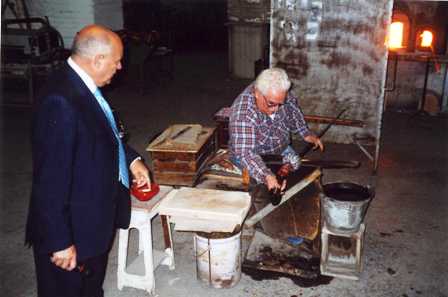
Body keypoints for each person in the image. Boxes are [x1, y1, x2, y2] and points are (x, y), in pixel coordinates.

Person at [25, 24, 151, 297]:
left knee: (90, 287)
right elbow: (49, 180)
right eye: (117, 61)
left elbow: (103, 133)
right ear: (98, 60)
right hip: (70, 228)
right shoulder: (60, 100)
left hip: (91, 222)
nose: (120, 67)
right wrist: (59, 242)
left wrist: (130, 160)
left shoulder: (83, 85)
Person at [229, 67, 323, 195]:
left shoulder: (278, 92)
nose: (276, 109)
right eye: (271, 104)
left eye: (280, 103)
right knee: (261, 189)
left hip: (281, 149)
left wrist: (305, 133)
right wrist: (266, 175)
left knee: (295, 172)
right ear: (257, 93)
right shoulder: (243, 113)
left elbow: (292, 108)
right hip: (253, 154)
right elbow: (246, 153)